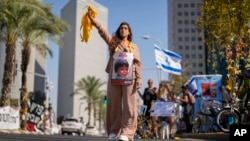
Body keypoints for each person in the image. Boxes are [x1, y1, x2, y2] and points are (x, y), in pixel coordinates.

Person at [88, 10, 142, 141]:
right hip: (115, 78)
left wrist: (139, 78)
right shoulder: (113, 43)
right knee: (113, 105)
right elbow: (103, 32)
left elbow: (138, 63)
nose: (123, 30)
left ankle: (127, 132)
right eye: (121, 28)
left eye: (126, 28)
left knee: (129, 106)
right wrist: (93, 21)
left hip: (130, 79)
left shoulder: (134, 47)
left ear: (129, 32)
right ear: (119, 31)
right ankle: (113, 131)